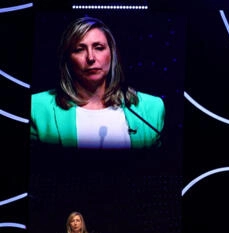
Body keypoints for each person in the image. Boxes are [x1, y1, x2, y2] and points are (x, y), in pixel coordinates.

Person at [30, 16, 164, 149]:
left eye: (99, 47)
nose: (91, 58)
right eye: (79, 49)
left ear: (112, 54)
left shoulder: (151, 108)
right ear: (67, 60)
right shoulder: (37, 108)